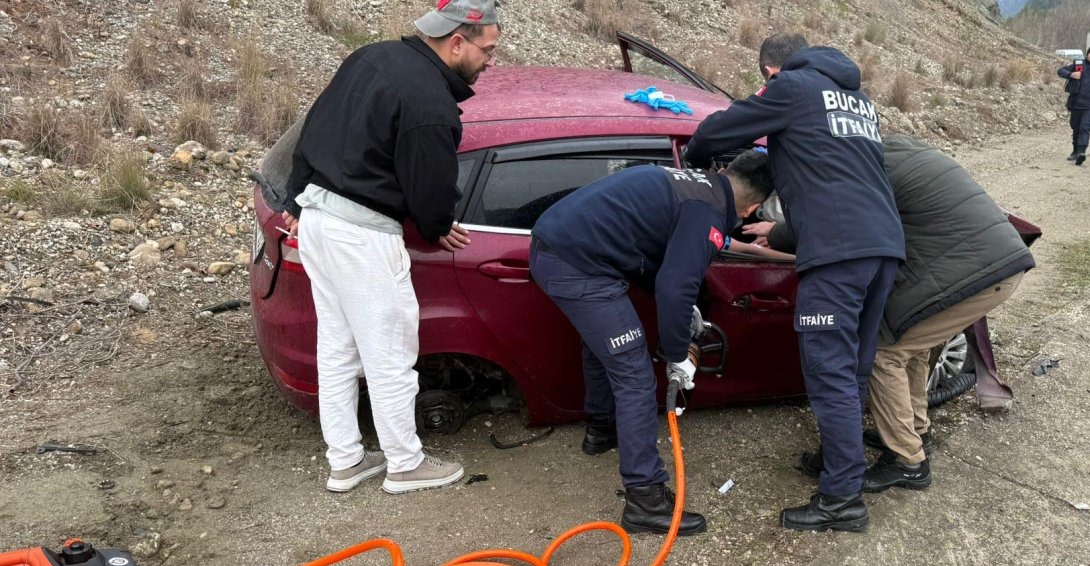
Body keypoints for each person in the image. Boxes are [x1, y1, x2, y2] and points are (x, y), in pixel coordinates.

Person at [685, 32, 905, 533]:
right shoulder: (856, 98)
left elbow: (715, 133)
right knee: (851, 369)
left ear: (770, 72)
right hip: (883, 247)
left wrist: (696, 158)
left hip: (837, 251)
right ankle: (840, 463)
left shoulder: (791, 87)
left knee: (828, 371)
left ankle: (842, 499)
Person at [280, 0, 501, 494]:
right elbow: (431, 189)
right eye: (487, 50)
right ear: (457, 42)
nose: (490, 61)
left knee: (338, 350)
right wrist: (437, 224)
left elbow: (313, 128)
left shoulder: (370, 57)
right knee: (391, 357)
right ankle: (404, 463)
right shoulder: (430, 105)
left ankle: (346, 460)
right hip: (362, 237)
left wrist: (296, 196)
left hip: (318, 222)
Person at [770, 135, 1035, 491]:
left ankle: (907, 461)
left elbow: (829, 219)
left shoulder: (859, 169)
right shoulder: (889, 149)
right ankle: (914, 432)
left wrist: (775, 233)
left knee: (884, 354)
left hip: (973, 272)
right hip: (993, 261)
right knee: (911, 348)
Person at [530, 152, 774, 536]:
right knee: (635, 376)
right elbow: (674, 287)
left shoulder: (693, 185)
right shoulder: (707, 213)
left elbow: (659, 259)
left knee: (604, 347)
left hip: (563, 247)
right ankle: (645, 500)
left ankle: (601, 429)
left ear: (725, 170)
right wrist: (677, 355)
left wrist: (684, 311)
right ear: (752, 209)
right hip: (577, 263)